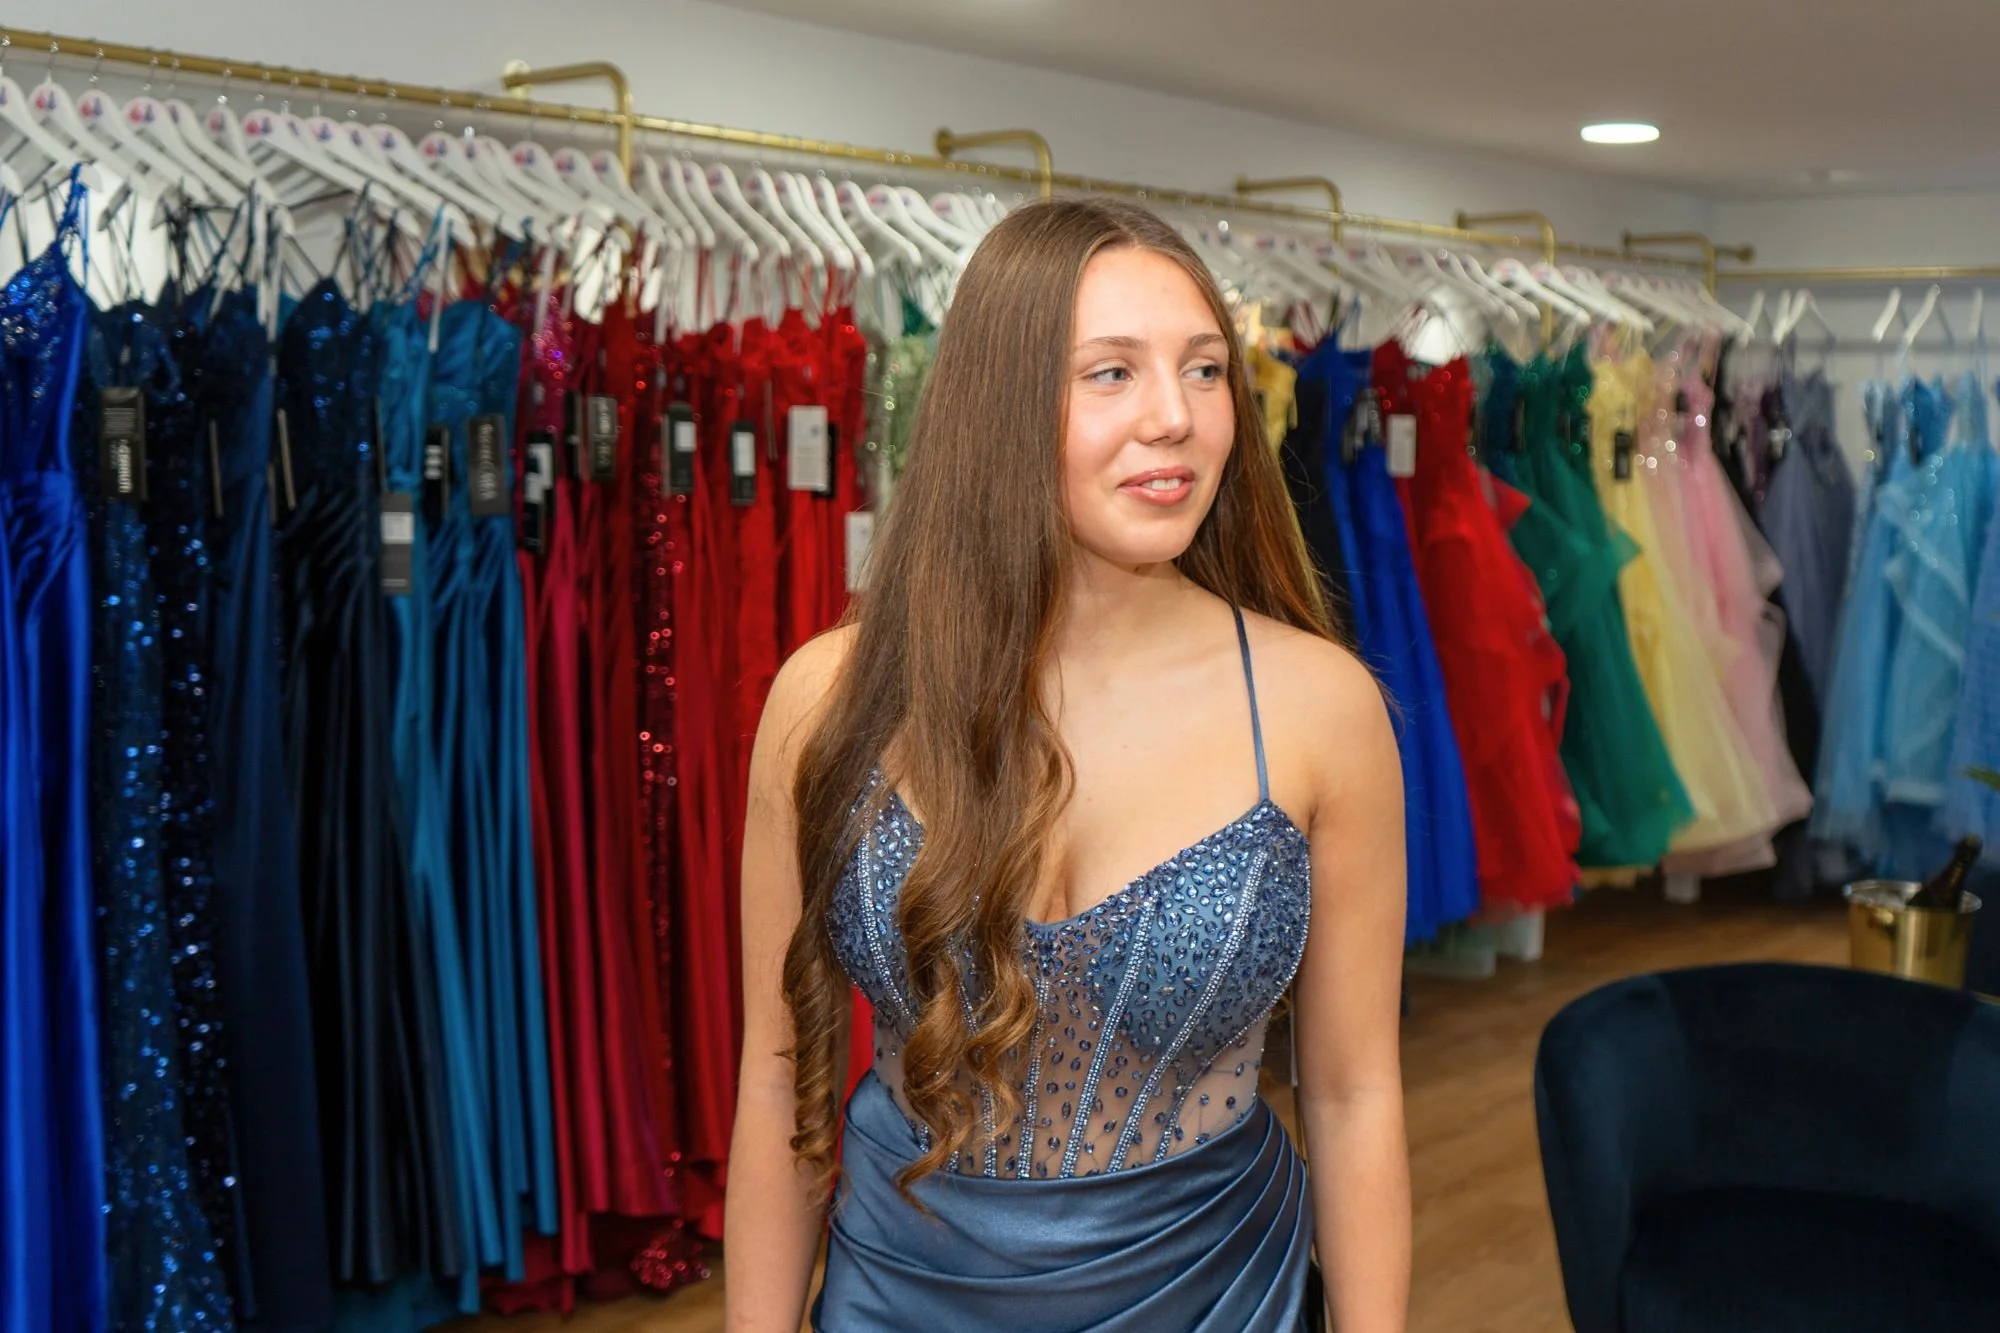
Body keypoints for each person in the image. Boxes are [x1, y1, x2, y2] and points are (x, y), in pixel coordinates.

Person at [724, 196, 1411, 1332]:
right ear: (999, 404)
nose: (1176, 418)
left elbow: (1349, 1091)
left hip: (1212, 1297)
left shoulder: (1314, 706)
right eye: (1111, 374)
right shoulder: (826, 702)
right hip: (899, 1296)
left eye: (1202, 372)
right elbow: (771, 1078)